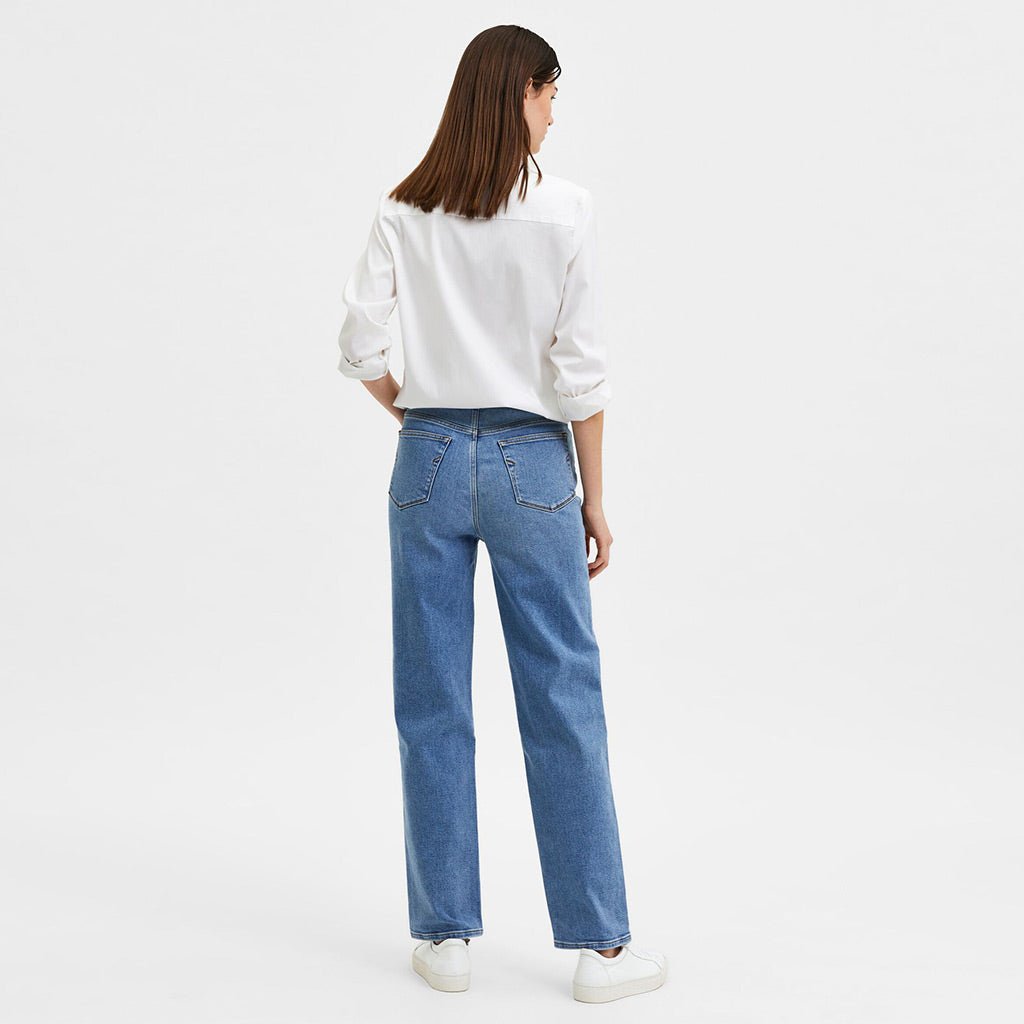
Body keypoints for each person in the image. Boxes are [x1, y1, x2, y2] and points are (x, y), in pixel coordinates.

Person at [335, 24, 667, 1004]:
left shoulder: (404, 208)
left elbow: (358, 345)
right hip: (533, 462)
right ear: (519, 91)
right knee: (563, 695)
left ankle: (444, 937)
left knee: (431, 697)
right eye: (550, 94)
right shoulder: (565, 211)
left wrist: (419, 418)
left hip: (429, 458)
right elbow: (582, 372)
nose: (554, 113)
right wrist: (594, 497)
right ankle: (602, 952)